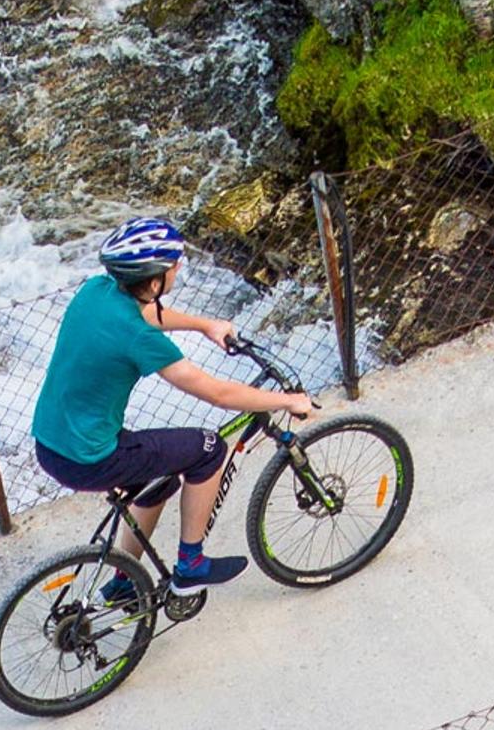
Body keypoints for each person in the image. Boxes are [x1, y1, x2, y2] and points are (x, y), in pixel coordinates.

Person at [27, 215, 318, 597]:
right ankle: (191, 566)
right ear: (153, 281)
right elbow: (218, 394)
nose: (178, 270)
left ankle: (126, 581)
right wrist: (288, 400)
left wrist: (205, 325)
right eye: (173, 267)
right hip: (91, 457)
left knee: (156, 480)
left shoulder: (96, 291)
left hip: (52, 443)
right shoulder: (138, 338)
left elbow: (145, 311)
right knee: (208, 449)